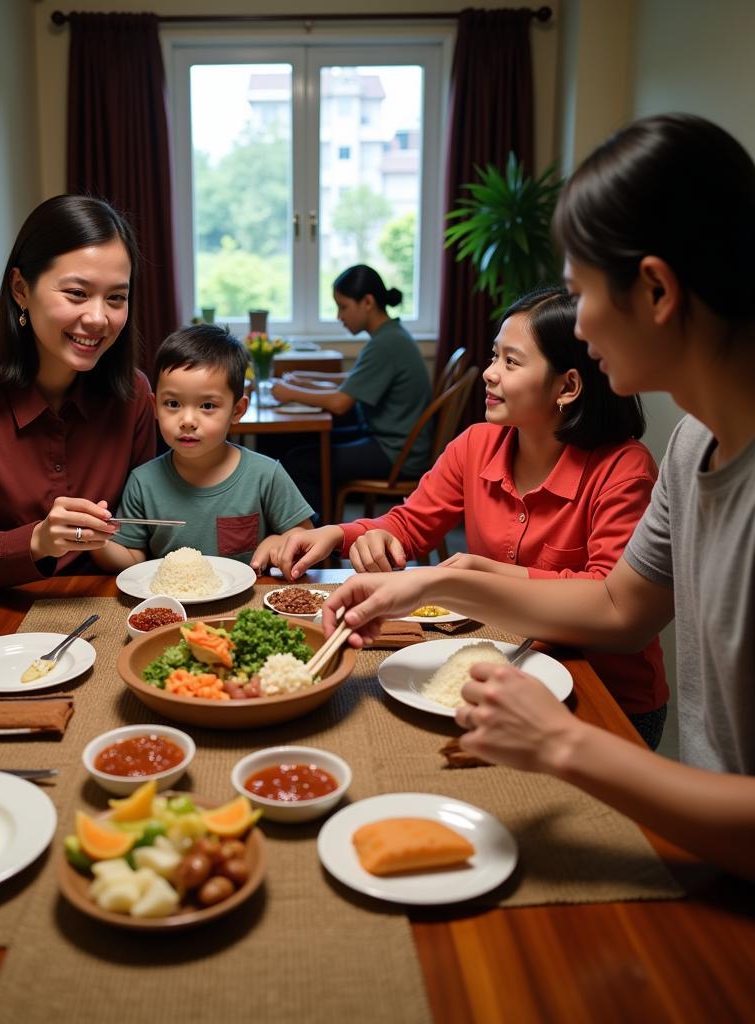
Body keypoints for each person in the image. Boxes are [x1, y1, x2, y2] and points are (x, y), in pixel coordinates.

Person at [320, 114, 755, 880]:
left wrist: (560, 743)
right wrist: (434, 578)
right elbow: (621, 608)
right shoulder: (692, 444)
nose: (580, 323)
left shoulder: (638, 461)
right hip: (702, 851)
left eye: (583, 292)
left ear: (655, 289)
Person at [276, 287, 668, 746]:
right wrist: (341, 534)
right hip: (507, 670)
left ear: (567, 387)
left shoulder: (623, 469)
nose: (490, 373)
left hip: (606, 695)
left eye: (511, 362)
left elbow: (607, 600)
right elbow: (408, 525)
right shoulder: (477, 444)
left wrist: (482, 573)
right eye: (493, 356)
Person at [0, 195, 156, 589]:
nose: (97, 318)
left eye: (116, 298)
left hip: (109, 608)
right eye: (76, 293)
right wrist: (37, 541)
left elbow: (148, 526)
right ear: (21, 288)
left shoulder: (134, 395)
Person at [92, 324, 314, 572]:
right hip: (173, 605)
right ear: (154, 406)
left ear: (237, 410)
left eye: (207, 406)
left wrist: (278, 540)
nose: (187, 420)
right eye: (172, 403)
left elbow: (306, 537)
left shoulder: (265, 475)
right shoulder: (143, 482)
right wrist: (95, 540)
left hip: (244, 605)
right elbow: (132, 559)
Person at [272, 265, 432, 520]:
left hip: (395, 452)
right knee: (302, 446)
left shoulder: (386, 344)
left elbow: (340, 403)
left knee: (300, 461)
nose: (339, 316)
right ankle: (323, 528)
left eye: (343, 307)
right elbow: (352, 380)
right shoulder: (390, 335)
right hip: (392, 441)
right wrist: (305, 378)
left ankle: (316, 540)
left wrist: (290, 392)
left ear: (367, 302)